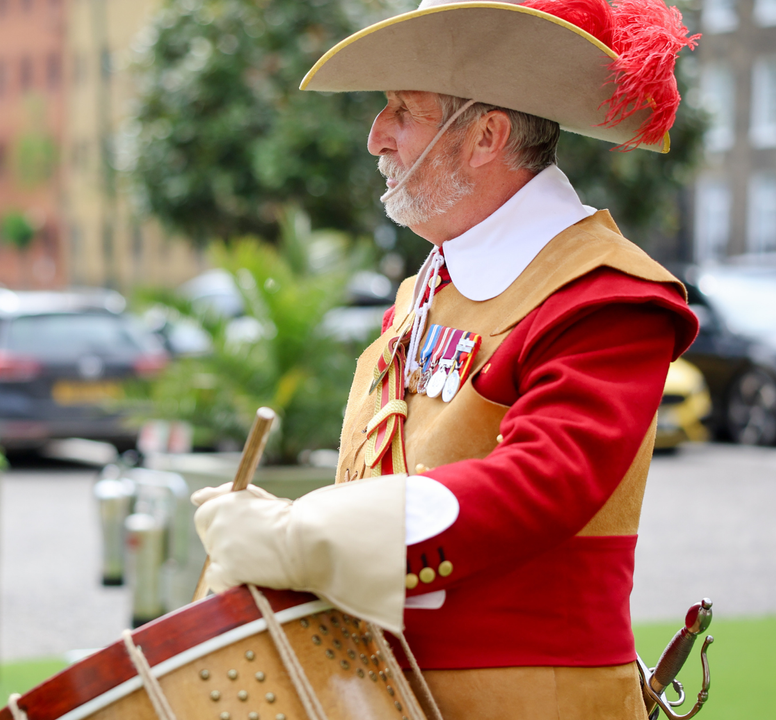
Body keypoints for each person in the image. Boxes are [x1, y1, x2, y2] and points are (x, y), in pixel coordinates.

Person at [191, 0, 701, 718]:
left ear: (487, 134)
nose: (376, 137)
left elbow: (542, 484)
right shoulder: (427, 286)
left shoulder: (608, 295)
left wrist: (300, 537)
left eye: (402, 108)